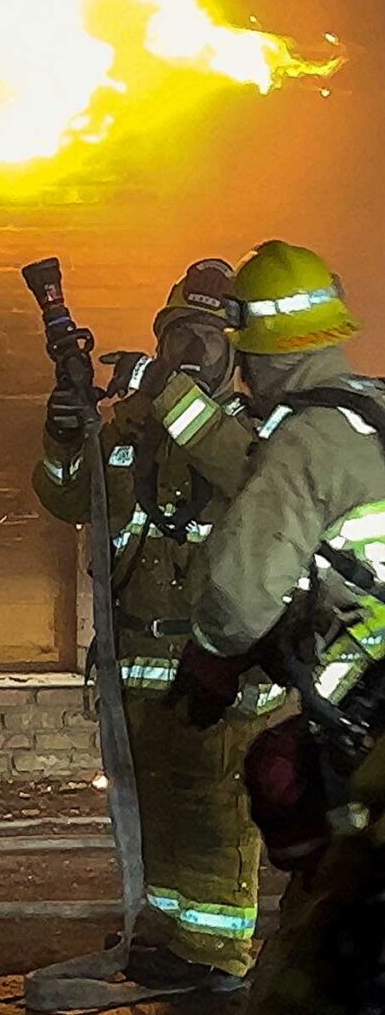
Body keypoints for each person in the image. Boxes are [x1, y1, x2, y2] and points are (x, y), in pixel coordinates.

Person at [32, 259, 285, 995]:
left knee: (213, 813)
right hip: (135, 664)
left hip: (219, 668)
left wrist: (161, 392)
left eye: (207, 336)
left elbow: (252, 482)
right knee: (149, 811)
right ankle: (166, 936)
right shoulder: (129, 430)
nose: (190, 350)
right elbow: (65, 501)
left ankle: (218, 957)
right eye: (180, 333)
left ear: (235, 353)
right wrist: (59, 439)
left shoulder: (256, 436)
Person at [172, 239, 385, 1013]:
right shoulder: (376, 412)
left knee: (288, 790)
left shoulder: (303, 441)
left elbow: (236, 598)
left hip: (370, 719)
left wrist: (211, 660)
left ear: (253, 350)